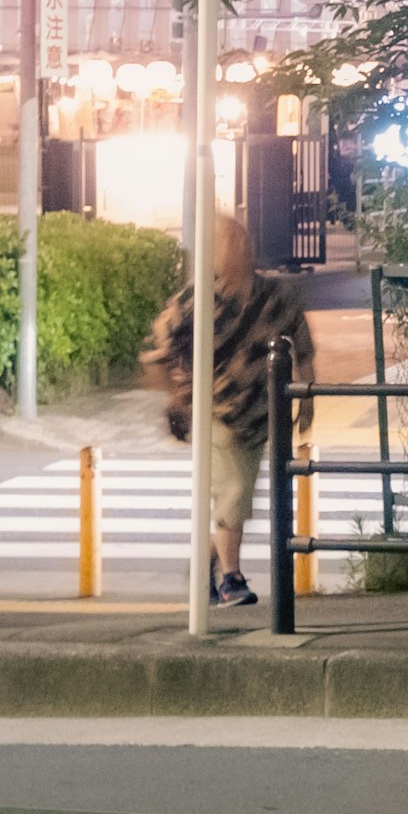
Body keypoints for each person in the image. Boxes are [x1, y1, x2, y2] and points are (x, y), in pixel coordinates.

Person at [142, 215, 314, 610]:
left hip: (259, 415)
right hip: (217, 413)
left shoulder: (273, 296)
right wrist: (179, 398)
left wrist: (306, 396)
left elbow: (302, 344)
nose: (237, 251)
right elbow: (158, 352)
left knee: (235, 497)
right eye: (228, 243)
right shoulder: (197, 299)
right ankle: (230, 579)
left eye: (240, 243)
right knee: (234, 493)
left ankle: (204, 568)